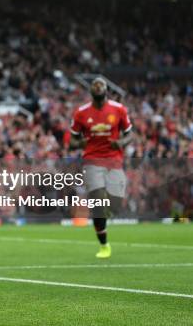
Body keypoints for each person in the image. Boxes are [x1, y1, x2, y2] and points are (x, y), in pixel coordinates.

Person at [69, 77, 133, 258]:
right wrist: (80, 142)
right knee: (97, 201)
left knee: (115, 205)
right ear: (91, 91)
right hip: (92, 160)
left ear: (106, 90)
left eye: (101, 85)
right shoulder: (81, 113)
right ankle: (104, 245)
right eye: (95, 85)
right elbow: (72, 140)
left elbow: (130, 134)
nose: (98, 87)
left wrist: (121, 142)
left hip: (114, 161)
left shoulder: (119, 109)